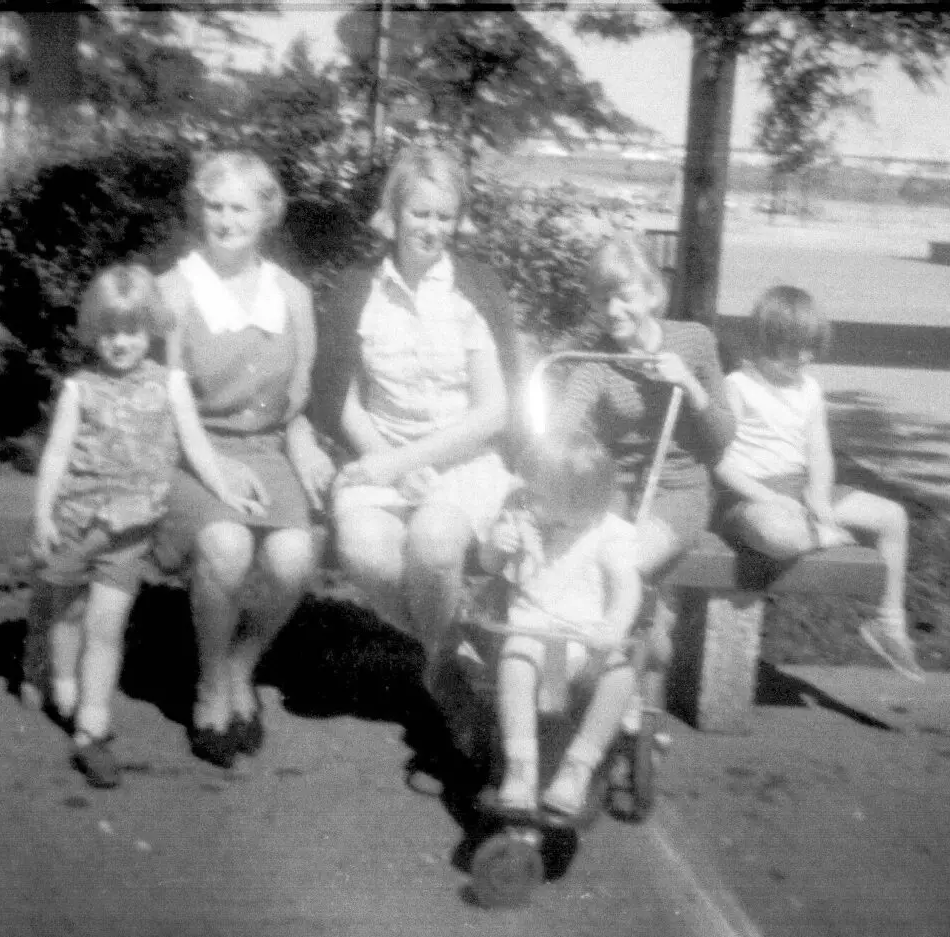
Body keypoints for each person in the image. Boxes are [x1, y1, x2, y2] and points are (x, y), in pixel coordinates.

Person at [28, 263, 262, 788]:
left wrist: (224, 489)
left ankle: (93, 728)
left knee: (106, 629)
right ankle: (60, 675)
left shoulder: (169, 385)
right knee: (65, 615)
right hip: (74, 524)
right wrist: (43, 514)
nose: (120, 343)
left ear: (150, 329)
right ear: (94, 331)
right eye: (109, 331)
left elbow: (197, 446)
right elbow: (56, 457)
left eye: (131, 331)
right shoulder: (78, 390)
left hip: (129, 534)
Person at [155, 150, 336, 768]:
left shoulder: (293, 296)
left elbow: (295, 402)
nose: (226, 220)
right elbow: (170, 405)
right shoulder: (173, 294)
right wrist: (216, 471)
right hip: (190, 451)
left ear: (266, 214)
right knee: (228, 547)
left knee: (292, 560)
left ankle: (242, 662)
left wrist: (305, 442)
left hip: (266, 452)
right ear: (197, 210)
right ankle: (209, 680)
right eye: (214, 206)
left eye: (240, 207)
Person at [313, 142, 518, 683]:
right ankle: (450, 649)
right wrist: (390, 462)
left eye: (445, 216)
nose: (431, 227)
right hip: (380, 456)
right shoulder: (359, 288)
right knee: (364, 554)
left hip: (461, 461)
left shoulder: (475, 289)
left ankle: (441, 678)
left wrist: (410, 461)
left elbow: (495, 411)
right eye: (420, 213)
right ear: (394, 214)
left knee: (431, 546)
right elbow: (339, 399)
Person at [554, 231, 735, 722]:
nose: (612, 310)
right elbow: (565, 425)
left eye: (624, 295)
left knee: (621, 564)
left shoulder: (694, 342)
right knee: (576, 565)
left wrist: (690, 385)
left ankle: (620, 691)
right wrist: (549, 450)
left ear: (653, 294)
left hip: (677, 491)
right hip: (613, 493)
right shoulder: (596, 358)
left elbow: (720, 440)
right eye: (601, 297)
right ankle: (624, 667)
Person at [714, 285, 924, 681]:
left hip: (799, 486)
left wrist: (819, 493)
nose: (805, 358)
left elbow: (819, 452)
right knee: (779, 536)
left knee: (893, 516)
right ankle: (823, 535)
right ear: (767, 341)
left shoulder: (808, 389)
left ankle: (889, 623)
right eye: (795, 349)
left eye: (811, 348)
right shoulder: (738, 386)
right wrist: (767, 496)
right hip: (749, 494)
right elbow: (719, 463)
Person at [477, 429, 643, 817]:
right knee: (516, 662)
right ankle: (521, 766)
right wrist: (494, 548)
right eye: (532, 494)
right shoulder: (522, 520)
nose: (531, 501)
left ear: (580, 503)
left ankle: (578, 767)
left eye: (541, 496)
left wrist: (615, 626)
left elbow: (627, 589)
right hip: (532, 630)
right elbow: (490, 567)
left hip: (586, 641)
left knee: (620, 676)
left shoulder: (609, 534)